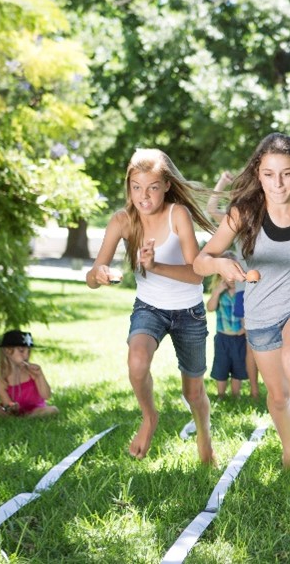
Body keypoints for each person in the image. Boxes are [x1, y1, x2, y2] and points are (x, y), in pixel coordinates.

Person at [193, 133, 290, 477]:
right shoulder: (243, 213)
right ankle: (289, 448)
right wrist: (219, 265)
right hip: (261, 314)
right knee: (278, 397)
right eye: (269, 174)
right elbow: (200, 261)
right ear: (258, 173)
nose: (278, 183)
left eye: (286, 173)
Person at [86, 148, 216, 463]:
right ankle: (149, 417)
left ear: (167, 186)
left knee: (193, 393)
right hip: (150, 309)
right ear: (128, 186)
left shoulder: (177, 215)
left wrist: (155, 266)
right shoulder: (121, 221)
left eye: (153, 187)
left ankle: (205, 437)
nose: (144, 196)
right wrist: (99, 274)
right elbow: (92, 276)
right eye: (137, 187)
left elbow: (196, 275)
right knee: (137, 362)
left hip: (189, 313)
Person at [208, 170, 260, 398]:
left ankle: (272, 388)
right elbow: (211, 210)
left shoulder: (266, 221)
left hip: (270, 289)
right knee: (250, 343)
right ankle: (255, 392)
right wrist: (221, 182)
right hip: (244, 293)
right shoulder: (238, 224)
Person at [0, 330, 59, 417]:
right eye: (22, 351)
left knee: (53, 410)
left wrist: (40, 375)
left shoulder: (33, 372)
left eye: (28, 351)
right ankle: (17, 419)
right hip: (13, 413)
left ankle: (26, 419)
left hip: (35, 410)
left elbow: (46, 395)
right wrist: (12, 407)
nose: (26, 356)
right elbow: (8, 406)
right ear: (8, 351)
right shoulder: (2, 380)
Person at [206, 252, 249, 398]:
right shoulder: (219, 291)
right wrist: (217, 292)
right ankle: (221, 395)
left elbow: (247, 312)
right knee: (221, 367)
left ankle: (236, 395)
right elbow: (210, 308)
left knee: (238, 367)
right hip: (222, 337)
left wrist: (244, 328)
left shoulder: (242, 291)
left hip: (239, 337)